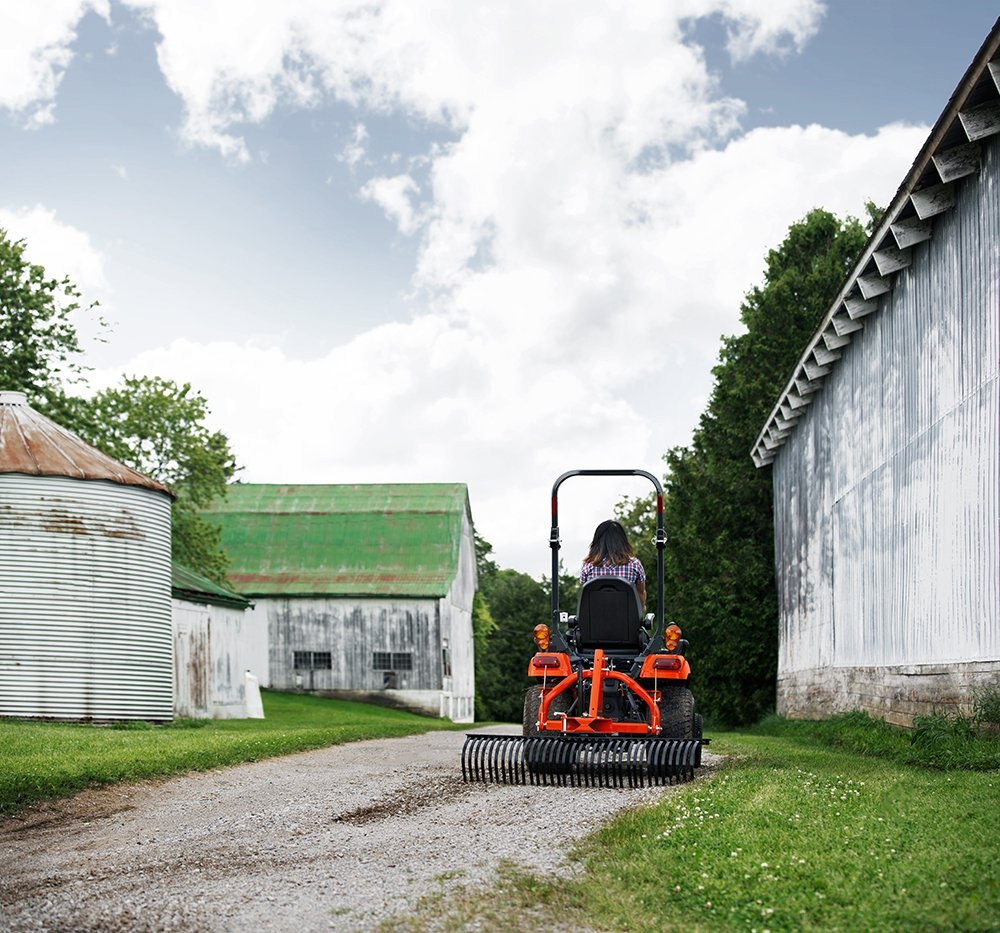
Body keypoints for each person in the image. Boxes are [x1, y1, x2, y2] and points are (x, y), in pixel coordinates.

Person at [580, 519, 646, 610]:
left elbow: (586, 596)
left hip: (595, 621)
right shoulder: (635, 564)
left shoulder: (587, 566)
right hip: (627, 621)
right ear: (623, 541)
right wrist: (642, 608)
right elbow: (641, 593)